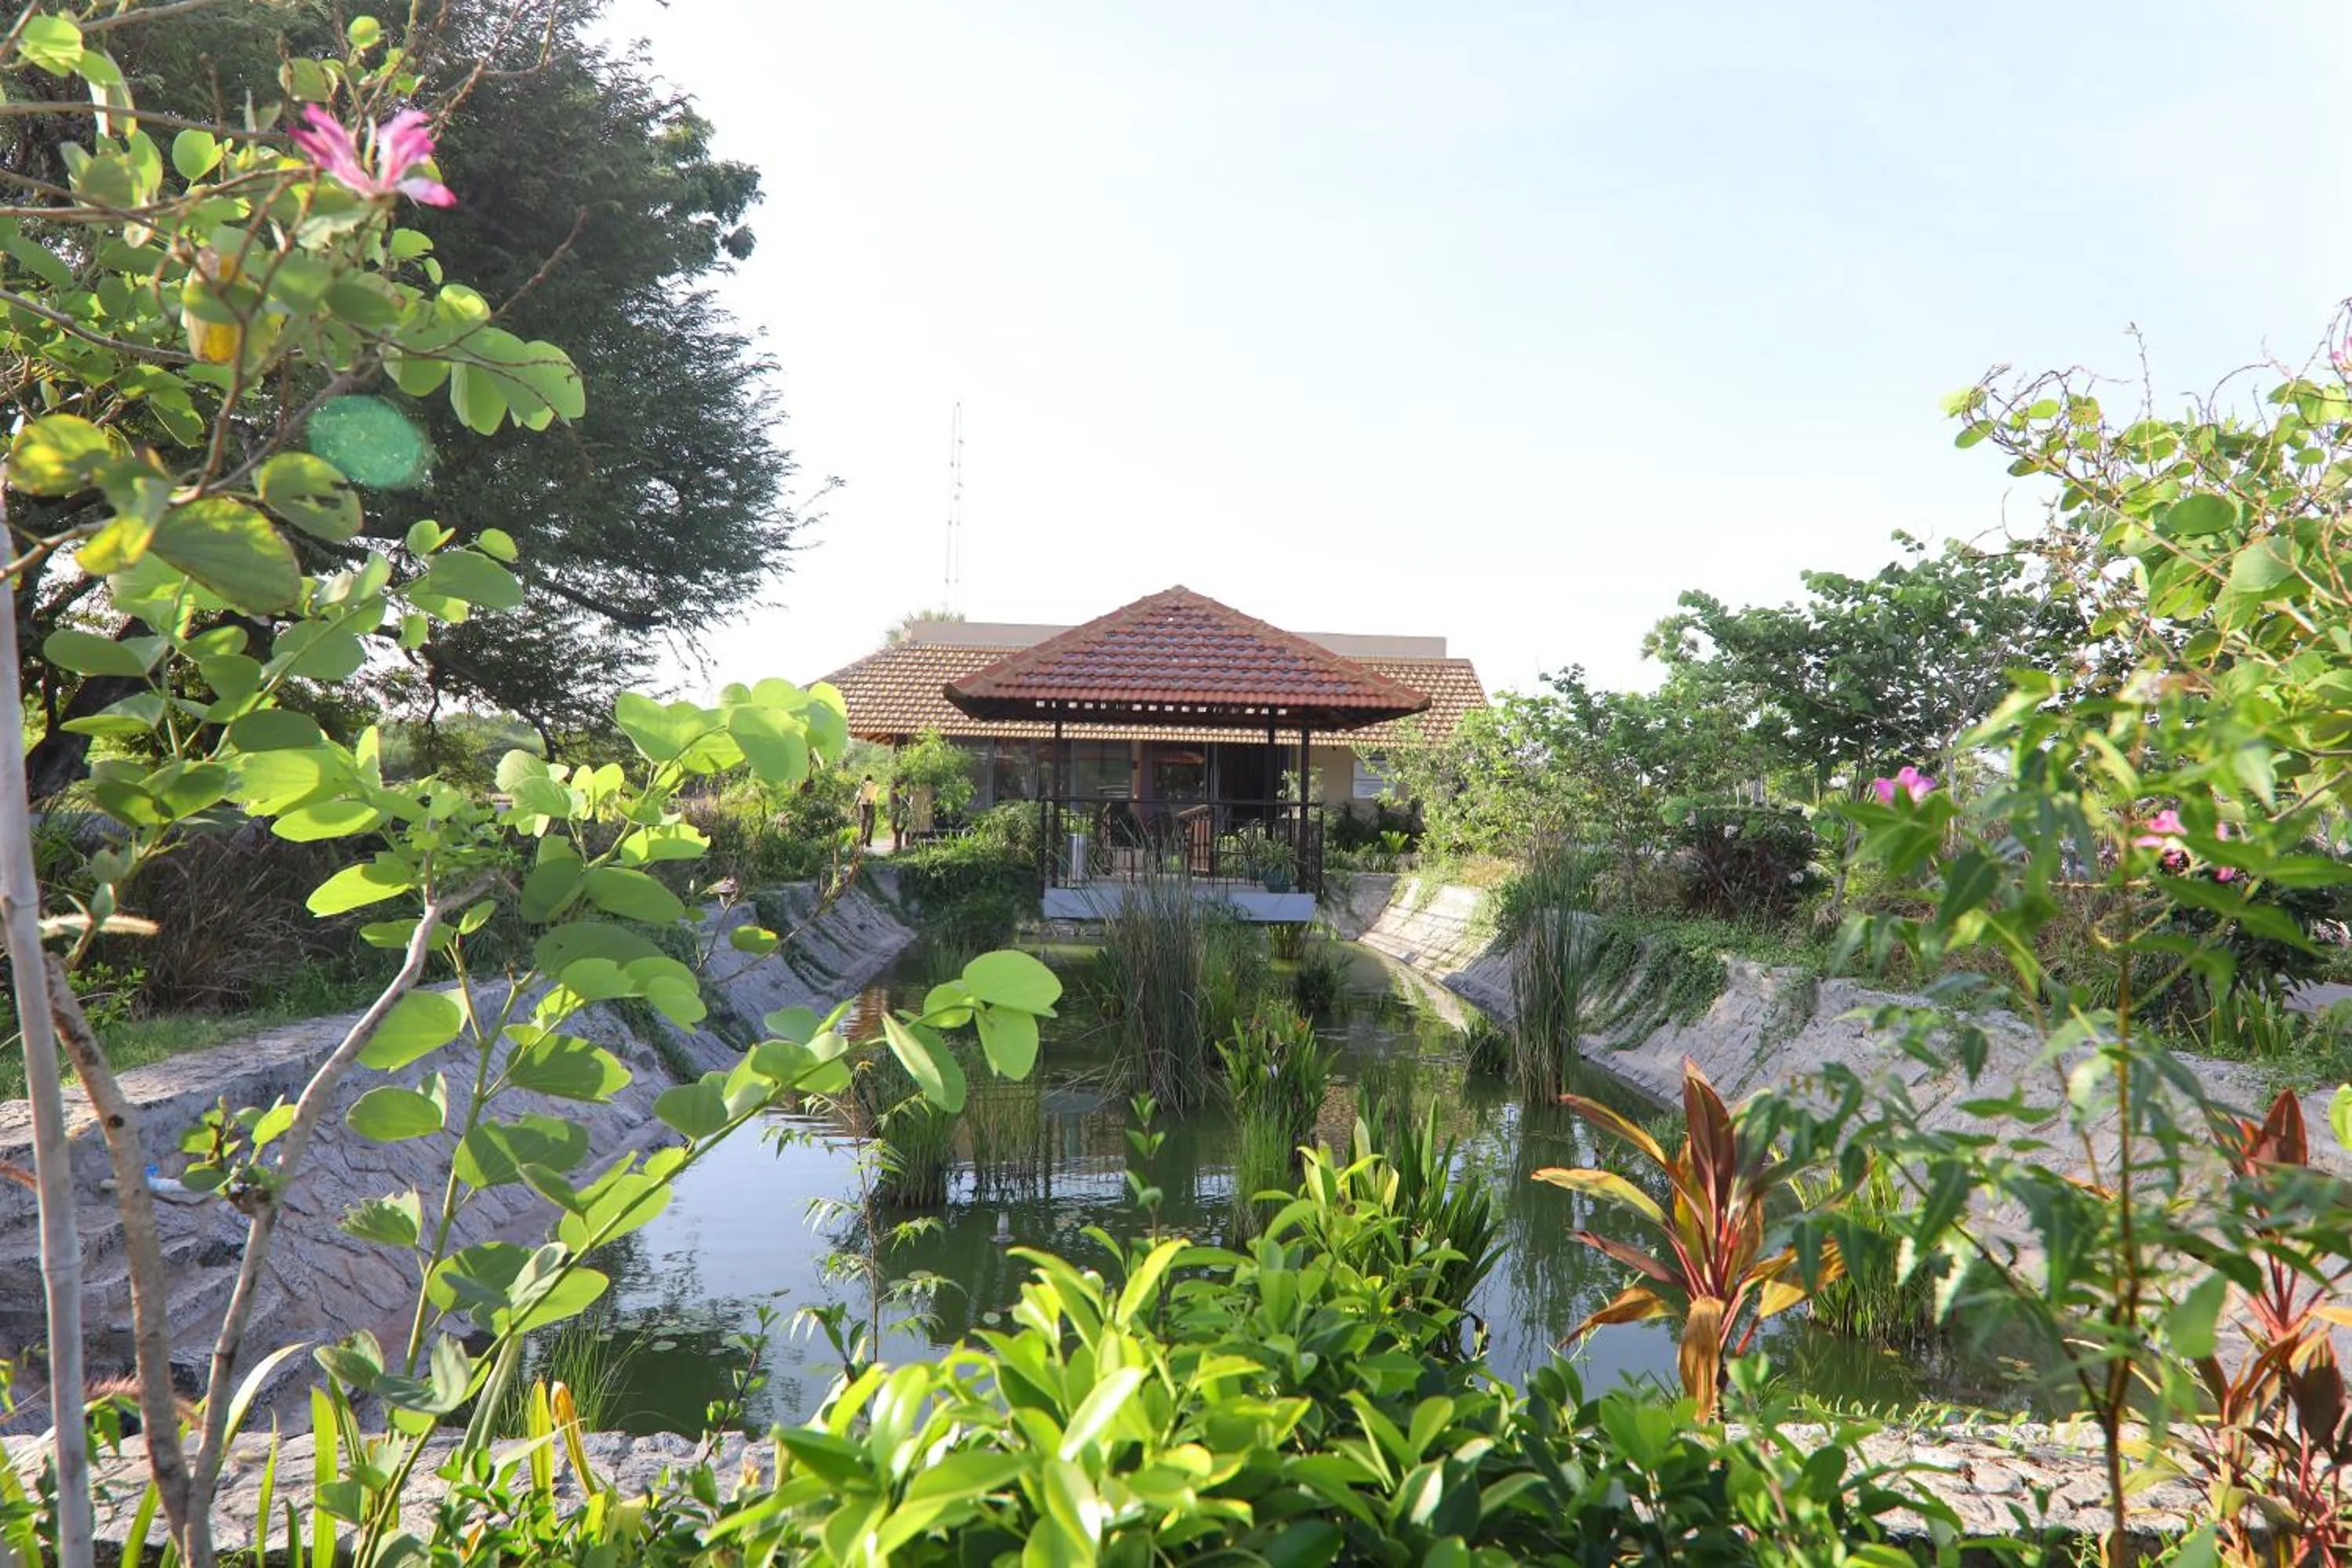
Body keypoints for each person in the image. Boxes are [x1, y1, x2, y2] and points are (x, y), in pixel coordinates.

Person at [855, 773, 880, 847]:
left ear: (865, 779)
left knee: (862, 825)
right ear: (871, 779)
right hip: (872, 805)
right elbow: (875, 795)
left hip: (863, 806)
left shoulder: (863, 785)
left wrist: (853, 807)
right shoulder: (874, 785)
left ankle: (861, 842)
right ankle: (868, 842)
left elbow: (858, 796)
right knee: (870, 824)